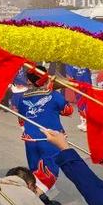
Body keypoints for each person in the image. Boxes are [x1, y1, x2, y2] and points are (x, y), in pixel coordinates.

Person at [11, 65, 73, 196]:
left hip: (30, 138)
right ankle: (33, 198)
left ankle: (38, 196)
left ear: (28, 81)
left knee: (35, 169)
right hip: (50, 138)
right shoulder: (54, 95)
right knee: (50, 170)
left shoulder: (23, 98)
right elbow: (68, 111)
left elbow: (22, 117)